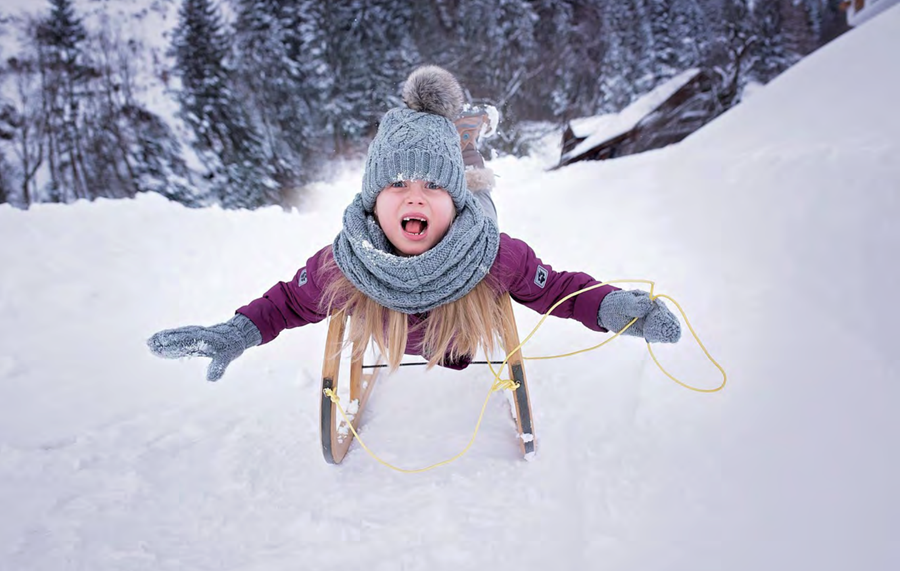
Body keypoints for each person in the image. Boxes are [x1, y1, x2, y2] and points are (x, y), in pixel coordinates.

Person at [147, 66, 681, 381]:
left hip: (466, 238)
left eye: (431, 189)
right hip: (429, 244)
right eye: (397, 186)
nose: (414, 199)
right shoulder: (346, 261)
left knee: (473, 179)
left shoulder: (493, 256)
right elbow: (288, 302)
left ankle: (463, 149)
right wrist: (237, 332)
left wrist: (616, 309)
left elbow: (560, 291)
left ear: (451, 203)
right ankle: (456, 142)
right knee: (449, 171)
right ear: (373, 201)